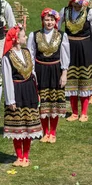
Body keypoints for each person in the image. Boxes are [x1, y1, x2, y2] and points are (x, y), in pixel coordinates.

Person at [2, 25, 43, 167]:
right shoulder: (7, 57)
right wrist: (10, 100)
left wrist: (36, 89)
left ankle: (26, 156)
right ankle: (19, 156)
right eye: (23, 36)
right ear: (17, 40)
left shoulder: (27, 52)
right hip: (16, 90)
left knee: (29, 124)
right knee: (17, 126)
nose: (26, 38)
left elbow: (33, 71)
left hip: (29, 89)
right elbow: (7, 79)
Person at [58, 0, 92, 122]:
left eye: (79, 3)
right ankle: (74, 113)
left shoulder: (89, 12)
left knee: (84, 80)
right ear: (71, 2)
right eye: (75, 3)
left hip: (85, 48)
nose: (77, 6)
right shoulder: (65, 11)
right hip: (69, 47)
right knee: (71, 80)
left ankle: (84, 112)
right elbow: (57, 28)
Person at [27, 9, 69, 144]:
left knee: (54, 102)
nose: (49, 22)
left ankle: (53, 132)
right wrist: (31, 73)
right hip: (40, 70)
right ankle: (45, 132)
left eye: (51, 20)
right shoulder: (34, 35)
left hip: (56, 70)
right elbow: (30, 55)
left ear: (56, 21)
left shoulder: (62, 35)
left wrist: (64, 73)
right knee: (43, 102)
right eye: (46, 19)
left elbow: (65, 55)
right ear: (42, 21)